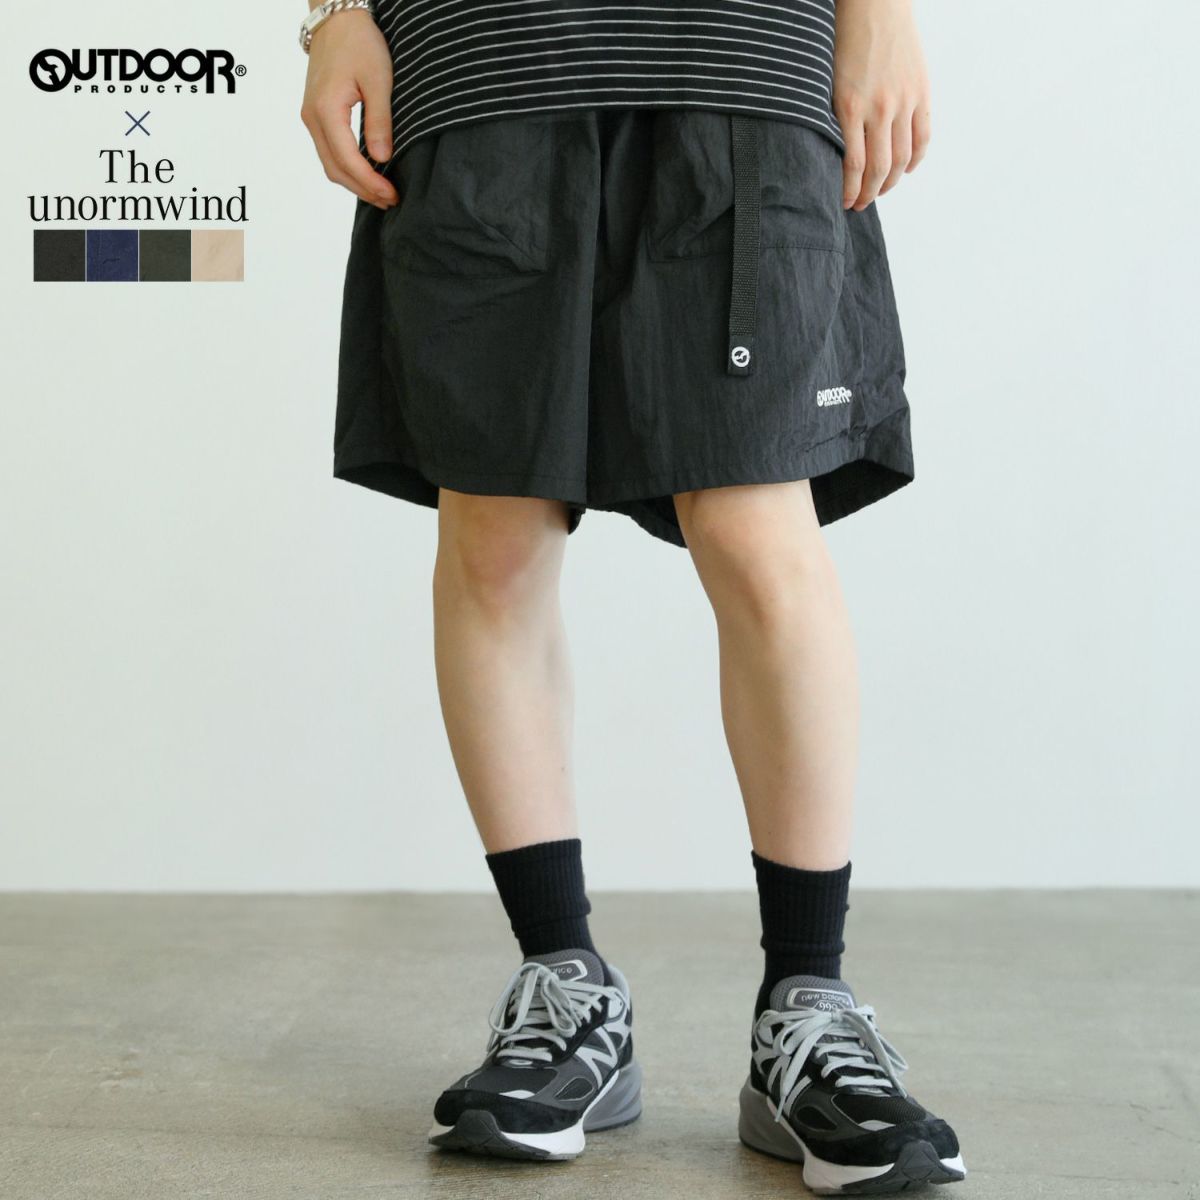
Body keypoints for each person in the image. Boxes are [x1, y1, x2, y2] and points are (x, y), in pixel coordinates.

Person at [301, 0, 965, 1190]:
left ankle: (808, 1003)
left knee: (757, 532)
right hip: (477, 61)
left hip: (742, 56)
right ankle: (564, 986)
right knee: (495, 537)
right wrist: (336, 12)